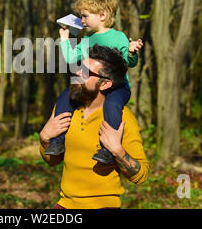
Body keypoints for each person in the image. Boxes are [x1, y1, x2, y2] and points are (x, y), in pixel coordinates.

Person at [39, 45, 149, 209]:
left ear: (104, 84)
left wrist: (118, 151)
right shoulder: (66, 110)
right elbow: (53, 161)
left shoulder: (123, 119)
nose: (77, 73)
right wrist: (45, 139)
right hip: (65, 205)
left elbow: (142, 176)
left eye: (86, 72)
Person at [45, 0, 144, 165]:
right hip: (92, 85)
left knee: (112, 104)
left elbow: (130, 63)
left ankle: (108, 148)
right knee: (66, 94)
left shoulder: (118, 37)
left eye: (85, 16)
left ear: (102, 15)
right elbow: (71, 58)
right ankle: (57, 140)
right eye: (80, 16)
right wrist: (64, 39)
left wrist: (131, 52)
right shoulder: (86, 39)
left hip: (117, 87)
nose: (81, 21)